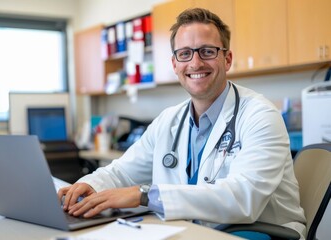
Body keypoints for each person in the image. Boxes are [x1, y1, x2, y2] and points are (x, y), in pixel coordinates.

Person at [58, 8, 306, 239]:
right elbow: (122, 171)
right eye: (185, 53)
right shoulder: (169, 120)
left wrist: (143, 195)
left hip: (260, 232)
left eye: (207, 51)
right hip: (193, 230)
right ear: (175, 64)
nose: (196, 63)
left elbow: (243, 198)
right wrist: (87, 185)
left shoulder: (261, 116)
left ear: (227, 59)